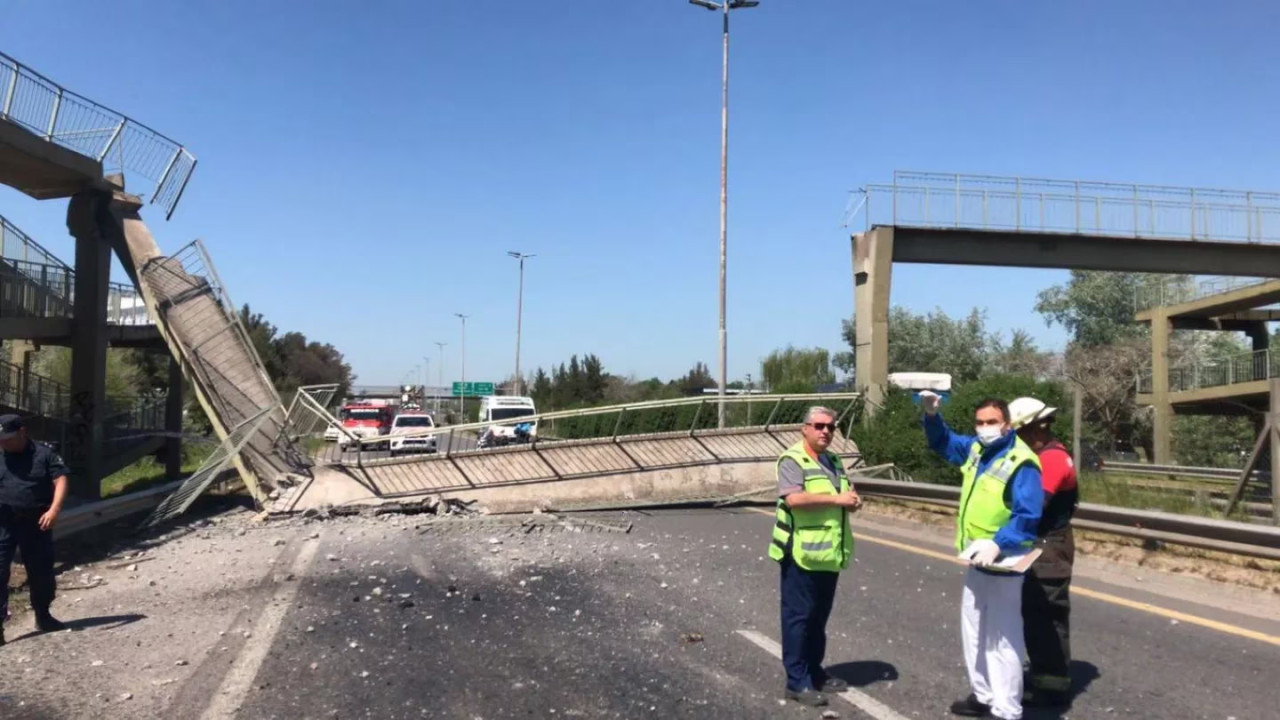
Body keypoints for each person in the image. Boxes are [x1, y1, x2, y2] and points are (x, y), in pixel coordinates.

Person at [919, 392, 1043, 720]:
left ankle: (1006, 709)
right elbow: (944, 443)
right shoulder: (977, 449)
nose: (985, 427)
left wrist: (999, 543)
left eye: (992, 422)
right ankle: (983, 695)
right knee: (973, 633)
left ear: (1006, 425)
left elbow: (1028, 514)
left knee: (1003, 639)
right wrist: (932, 416)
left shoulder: (1022, 460)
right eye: (980, 422)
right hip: (976, 560)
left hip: (1003, 563)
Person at [767, 406, 861, 708]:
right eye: (819, 426)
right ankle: (797, 682)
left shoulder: (833, 461)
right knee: (798, 618)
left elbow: (844, 492)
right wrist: (837, 499)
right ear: (804, 428)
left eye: (831, 427)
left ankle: (815, 672)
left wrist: (852, 500)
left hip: (828, 553)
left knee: (818, 618)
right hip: (800, 553)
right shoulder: (792, 460)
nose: (825, 432)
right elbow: (794, 498)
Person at [1008, 397, 1078, 707]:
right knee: (1034, 611)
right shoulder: (1046, 455)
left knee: (1045, 614)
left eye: (1019, 433)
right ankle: (1043, 675)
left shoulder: (1050, 460)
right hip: (1043, 542)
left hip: (1048, 545)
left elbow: (1033, 507)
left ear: (1034, 429)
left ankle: (1050, 687)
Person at [0, 415, 69, 646]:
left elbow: (60, 480)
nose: (4, 443)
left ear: (22, 432)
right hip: (4, 520)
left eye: (8, 438)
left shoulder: (44, 454)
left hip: (36, 520)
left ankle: (43, 615)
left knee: (40, 572)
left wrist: (54, 510)